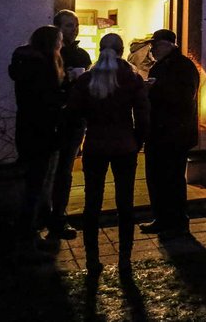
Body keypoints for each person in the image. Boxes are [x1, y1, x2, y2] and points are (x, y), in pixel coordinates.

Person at [67, 33, 149, 277]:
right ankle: (125, 259)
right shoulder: (132, 78)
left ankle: (92, 259)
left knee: (92, 203)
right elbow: (143, 115)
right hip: (124, 145)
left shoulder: (87, 79)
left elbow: (73, 112)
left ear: (100, 50)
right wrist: (137, 140)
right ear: (122, 51)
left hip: (95, 145)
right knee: (125, 203)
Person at [8, 25, 65, 259]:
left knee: (33, 186)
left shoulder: (25, 63)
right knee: (35, 188)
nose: (62, 44)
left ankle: (31, 237)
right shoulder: (43, 66)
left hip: (27, 131)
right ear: (52, 43)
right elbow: (48, 102)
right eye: (59, 40)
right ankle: (27, 243)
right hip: (42, 133)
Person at [139, 29, 199, 240]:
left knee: (172, 179)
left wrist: (153, 90)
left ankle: (178, 221)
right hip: (159, 132)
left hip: (174, 133)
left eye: (156, 45)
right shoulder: (161, 66)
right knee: (157, 178)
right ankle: (162, 218)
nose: (152, 49)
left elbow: (184, 98)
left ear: (169, 45)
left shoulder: (183, 66)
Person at [45, 9, 92, 243]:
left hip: (75, 120)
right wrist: (65, 80)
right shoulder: (48, 54)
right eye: (68, 25)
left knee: (65, 170)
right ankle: (42, 216)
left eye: (75, 25)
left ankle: (58, 217)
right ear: (57, 28)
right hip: (51, 120)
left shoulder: (82, 55)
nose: (74, 30)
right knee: (47, 170)